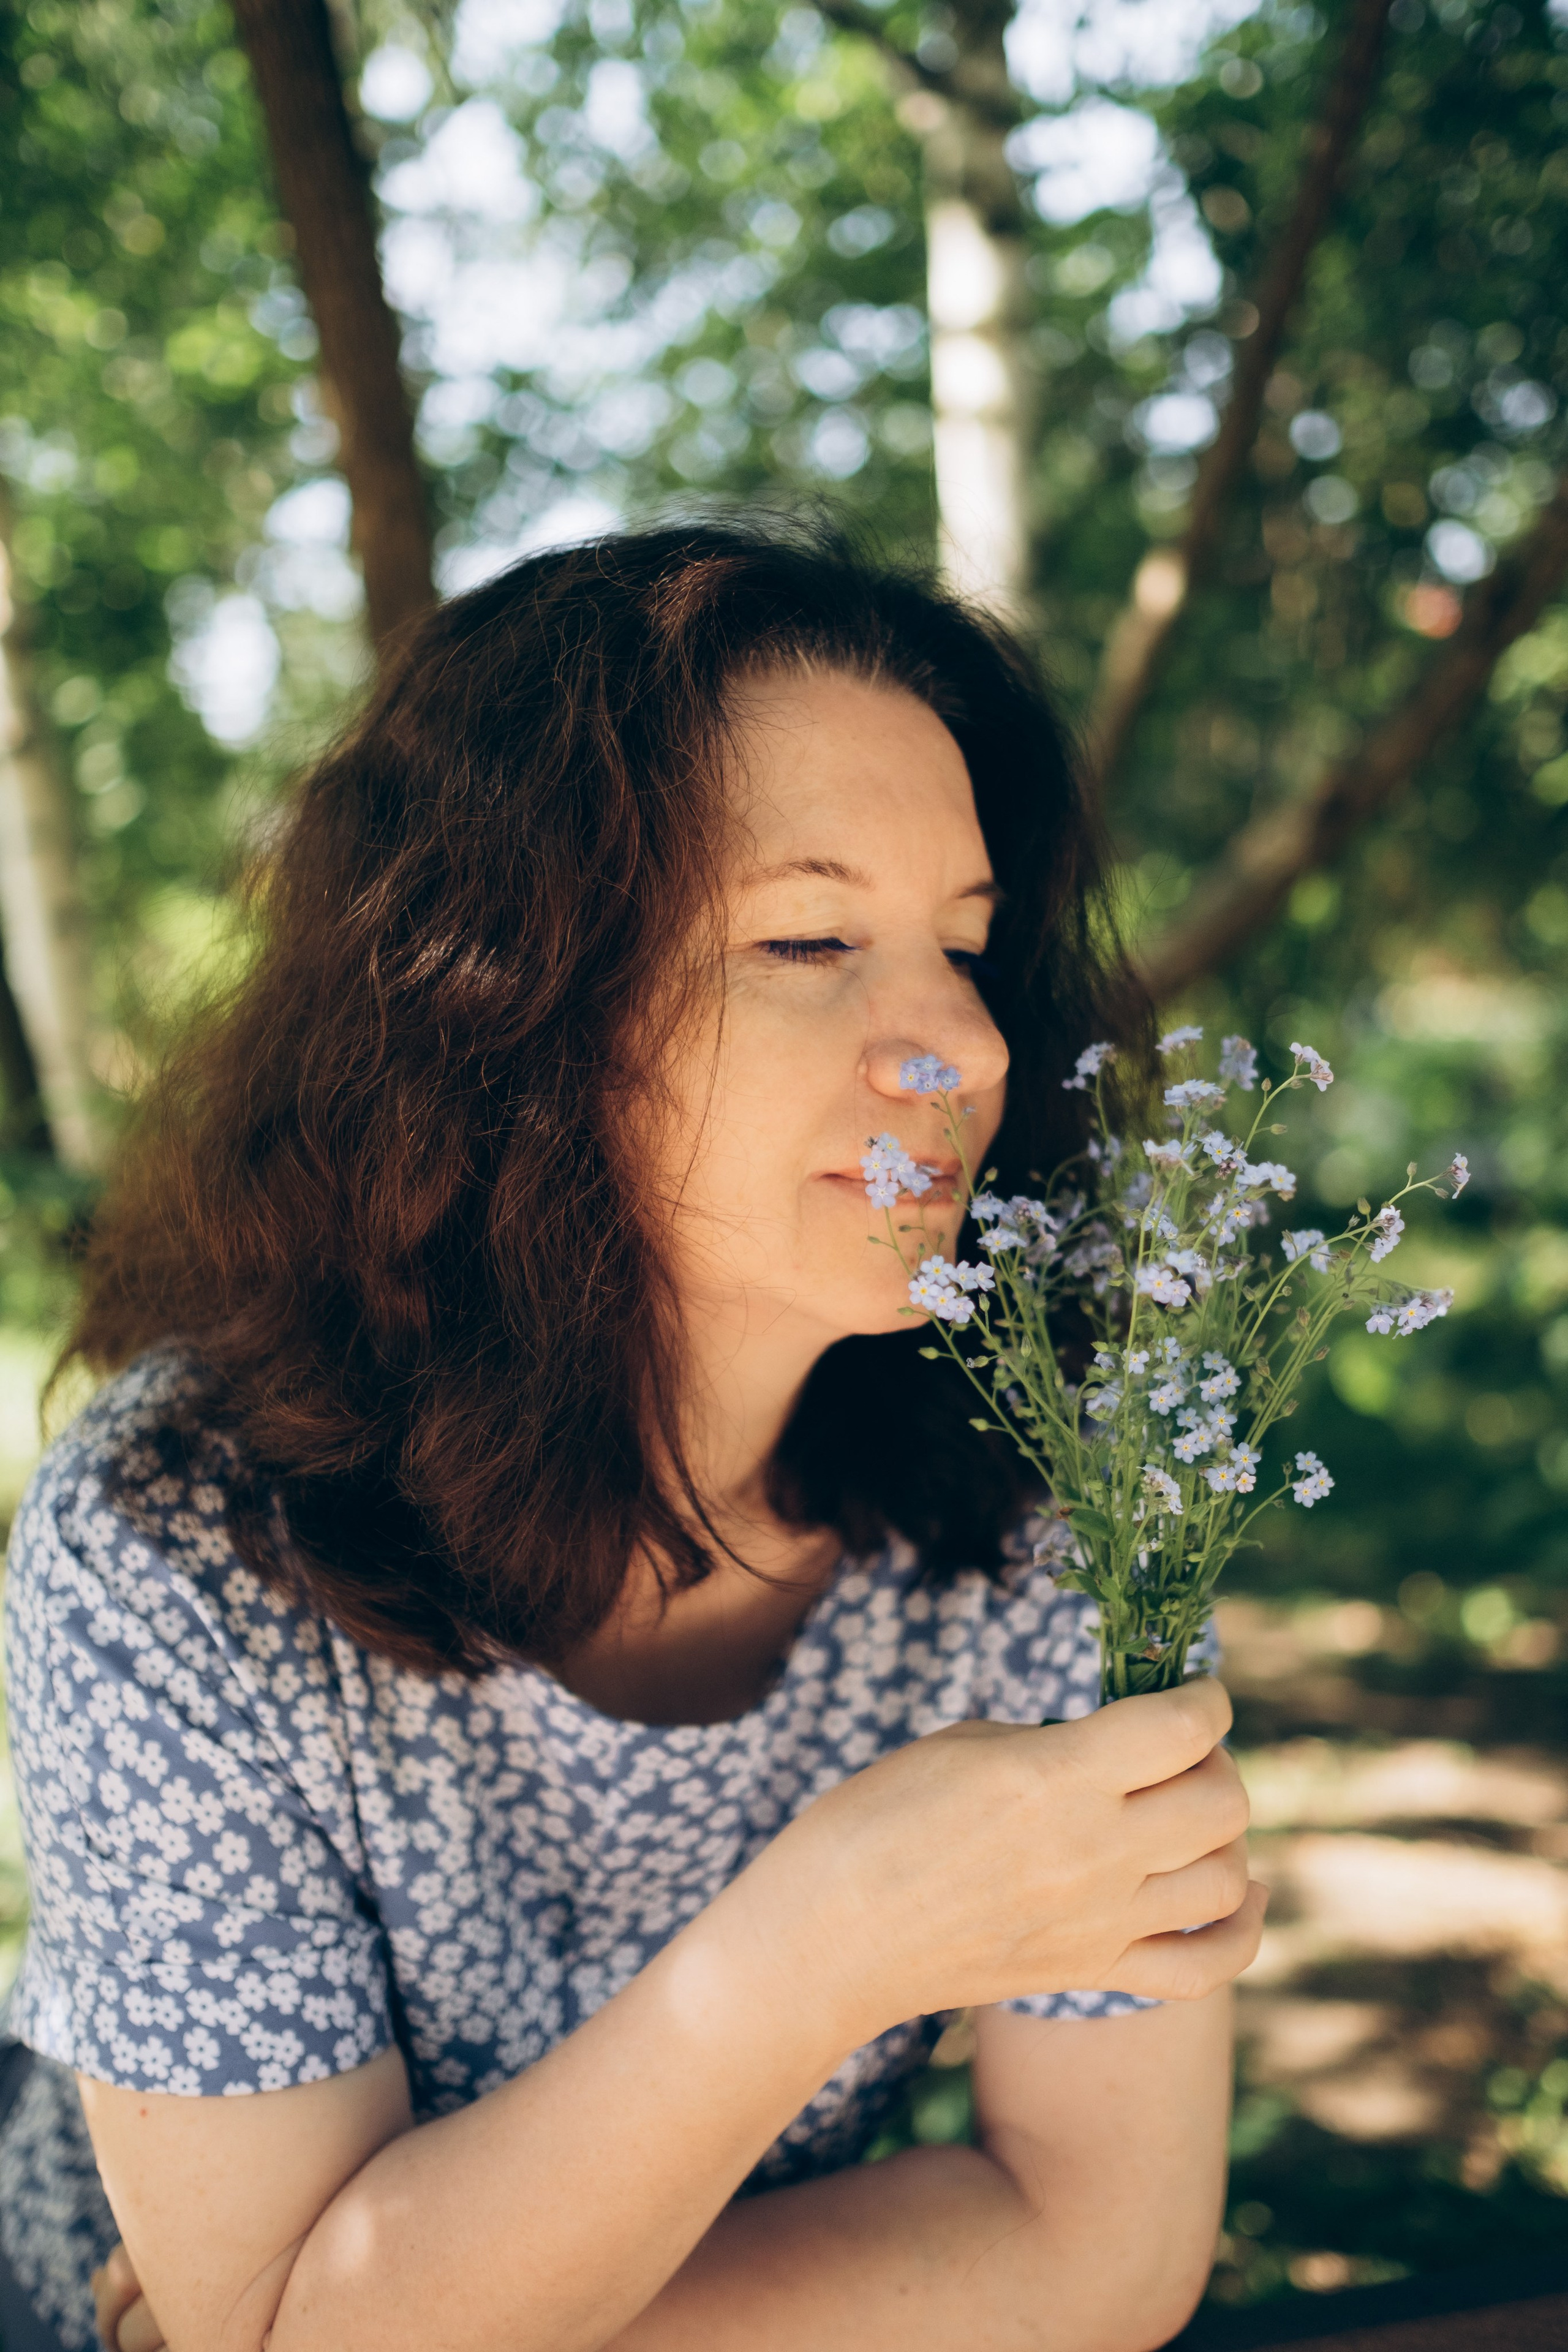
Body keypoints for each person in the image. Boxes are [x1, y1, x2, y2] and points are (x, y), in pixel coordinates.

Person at [0, 524, 1264, 2352]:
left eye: (968, 947)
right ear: (499, 1004)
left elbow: (1105, 2252)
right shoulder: (179, 1542)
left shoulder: (1065, 1493)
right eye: (811, 938)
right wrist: (827, 1933)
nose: (961, 1048)